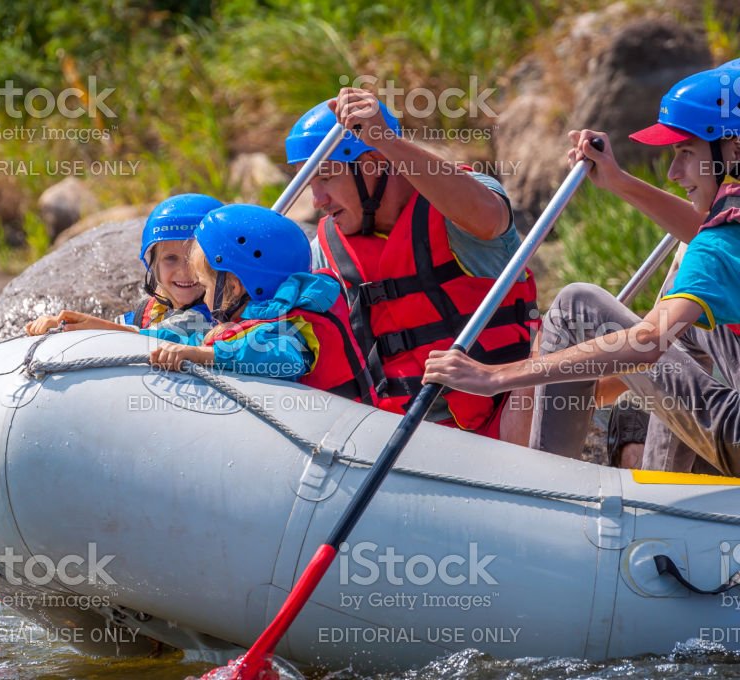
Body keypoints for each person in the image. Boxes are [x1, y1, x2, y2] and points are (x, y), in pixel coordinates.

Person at [422, 60, 740, 474]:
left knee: (578, 304)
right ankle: (663, 486)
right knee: (692, 308)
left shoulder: (717, 244)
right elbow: (709, 239)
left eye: (684, 152)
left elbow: (648, 341)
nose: (674, 172)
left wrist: (494, 376)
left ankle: (545, 486)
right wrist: (618, 181)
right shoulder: (722, 236)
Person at [286, 89, 538, 439]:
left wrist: (383, 139)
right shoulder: (325, 250)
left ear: (372, 163)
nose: (317, 201)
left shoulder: (462, 200)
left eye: (326, 178)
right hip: (404, 440)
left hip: (506, 422)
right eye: (308, 183)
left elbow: (487, 218)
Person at [147, 204, 377, 404]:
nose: (204, 300)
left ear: (236, 287)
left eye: (205, 287)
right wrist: (135, 333)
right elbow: (196, 339)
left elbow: (286, 359)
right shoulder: (254, 319)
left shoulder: (292, 329)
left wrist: (202, 355)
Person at [25, 193, 221, 336]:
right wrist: (67, 325)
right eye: (170, 258)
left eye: (194, 260)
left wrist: (91, 326)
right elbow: (118, 328)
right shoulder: (148, 313)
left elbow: (164, 335)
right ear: (152, 264)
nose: (184, 271)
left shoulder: (218, 316)